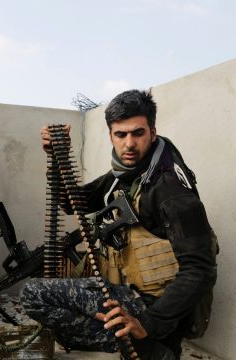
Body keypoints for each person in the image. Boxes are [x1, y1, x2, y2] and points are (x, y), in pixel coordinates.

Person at [20, 90, 217, 359]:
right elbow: (73, 203)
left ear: (153, 132)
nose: (129, 144)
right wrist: (56, 157)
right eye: (120, 135)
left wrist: (146, 325)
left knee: (35, 294)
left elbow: (201, 269)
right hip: (130, 294)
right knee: (39, 294)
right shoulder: (123, 176)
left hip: (156, 307)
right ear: (111, 135)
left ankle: (149, 346)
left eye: (138, 133)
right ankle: (145, 348)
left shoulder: (170, 189)